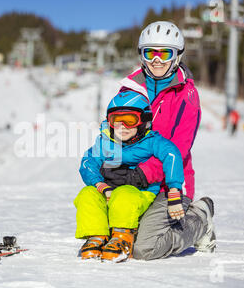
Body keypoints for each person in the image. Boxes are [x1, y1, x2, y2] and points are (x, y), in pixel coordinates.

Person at [101, 21, 216, 260]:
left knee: (144, 249)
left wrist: (143, 173)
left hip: (169, 185)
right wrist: (110, 165)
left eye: (165, 53)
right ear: (142, 55)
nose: (157, 60)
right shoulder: (128, 90)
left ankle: (199, 220)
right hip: (132, 181)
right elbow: (112, 132)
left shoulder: (186, 96)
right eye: (150, 52)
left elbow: (179, 148)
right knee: (111, 234)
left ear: (177, 56)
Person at [74, 90, 185, 262]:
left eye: (130, 120)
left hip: (139, 192)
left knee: (124, 194)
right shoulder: (105, 141)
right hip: (109, 191)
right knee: (86, 195)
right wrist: (99, 184)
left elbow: (172, 155)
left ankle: (122, 237)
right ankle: (96, 237)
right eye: (116, 121)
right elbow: (88, 162)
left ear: (144, 121)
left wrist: (174, 189)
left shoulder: (152, 141)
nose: (123, 126)